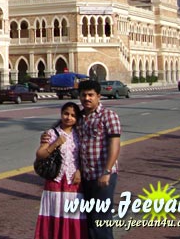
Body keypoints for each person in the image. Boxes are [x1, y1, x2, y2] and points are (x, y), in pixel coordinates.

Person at [41, 80, 121, 239]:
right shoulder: (81, 118)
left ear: (99, 96)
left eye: (91, 95)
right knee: (89, 219)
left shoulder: (108, 116)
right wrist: (48, 135)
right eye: (84, 95)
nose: (87, 98)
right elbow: (66, 128)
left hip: (103, 175)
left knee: (101, 219)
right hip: (85, 177)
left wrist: (107, 171)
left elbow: (115, 145)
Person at [34, 102, 87, 239]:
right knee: (54, 212)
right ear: (61, 114)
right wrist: (55, 144)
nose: (69, 118)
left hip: (73, 181)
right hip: (56, 180)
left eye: (73, 115)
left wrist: (80, 171)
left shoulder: (80, 134)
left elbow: (83, 156)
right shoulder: (51, 133)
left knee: (73, 214)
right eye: (66, 114)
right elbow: (40, 154)